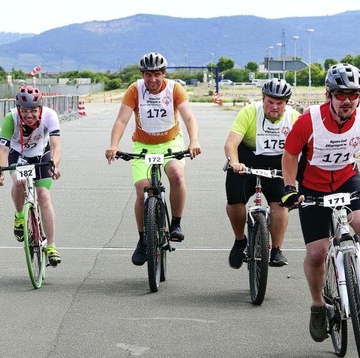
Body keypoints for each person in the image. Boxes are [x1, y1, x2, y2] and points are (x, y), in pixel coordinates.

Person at [280, 63, 360, 342]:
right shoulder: (309, 120)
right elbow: (289, 156)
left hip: (347, 179)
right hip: (313, 187)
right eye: (340, 95)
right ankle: (318, 306)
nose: (347, 101)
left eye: (353, 95)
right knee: (318, 253)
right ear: (328, 95)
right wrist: (289, 187)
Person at [104, 52, 201, 266]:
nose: (153, 80)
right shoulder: (134, 90)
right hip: (143, 145)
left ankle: (175, 223)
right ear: (142, 75)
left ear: (164, 73)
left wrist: (193, 140)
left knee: (176, 174)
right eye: (148, 75)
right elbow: (121, 120)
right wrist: (114, 144)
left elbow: (189, 117)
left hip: (171, 141)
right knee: (142, 191)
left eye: (157, 74)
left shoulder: (175, 88)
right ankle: (142, 239)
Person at [224, 78, 300, 269]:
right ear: (263, 99)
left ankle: (276, 249)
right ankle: (240, 240)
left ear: (286, 103)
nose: (274, 107)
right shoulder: (249, 112)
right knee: (235, 201)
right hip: (247, 159)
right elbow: (231, 143)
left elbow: (305, 151)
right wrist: (235, 162)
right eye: (270, 102)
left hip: (278, 162)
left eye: (280, 103)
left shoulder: (294, 118)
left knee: (281, 203)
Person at [0, 85, 62, 265]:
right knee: (19, 182)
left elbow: (56, 146)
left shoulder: (50, 115)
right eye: (24, 110)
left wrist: (54, 165)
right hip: (19, 156)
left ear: (40, 108)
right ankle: (19, 216)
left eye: (33, 110)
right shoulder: (11, 118)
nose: (28, 115)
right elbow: (3, 149)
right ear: (18, 109)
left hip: (42, 154)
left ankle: (52, 246)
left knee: (44, 197)